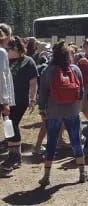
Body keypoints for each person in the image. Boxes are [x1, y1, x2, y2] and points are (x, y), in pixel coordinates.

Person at [38, 41, 88, 186]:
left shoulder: (48, 70)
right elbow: (81, 92)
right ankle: (82, 172)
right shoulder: (75, 69)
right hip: (72, 110)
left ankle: (46, 176)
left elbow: (43, 93)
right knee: (76, 141)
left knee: (51, 142)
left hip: (53, 111)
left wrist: (42, 109)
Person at [1, 37, 39, 171]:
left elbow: (33, 82)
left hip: (20, 99)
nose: (6, 51)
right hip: (5, 99)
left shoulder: (28, 61)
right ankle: (11, 148)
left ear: (16, 49)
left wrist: (33, 99)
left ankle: (15, 156)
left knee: (13, 124)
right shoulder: (5, 60)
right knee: (8, 124)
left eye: (8, 49)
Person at [0, 24, 15, 155]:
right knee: (7, 123)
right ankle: (13, 152)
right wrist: (5, 101)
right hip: (1, 97)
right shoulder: (2, 52)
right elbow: (2, 77)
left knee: (7, 124)